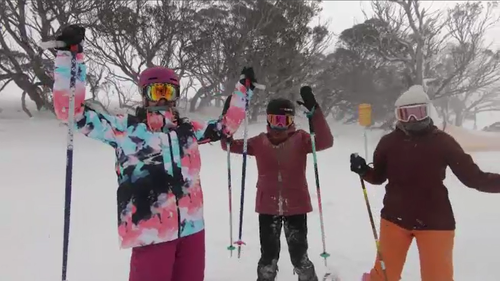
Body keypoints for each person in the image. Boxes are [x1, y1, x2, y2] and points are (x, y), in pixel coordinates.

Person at [51, 24, 259, 281]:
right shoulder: (126, 130)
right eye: (156, 91)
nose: (162, 98)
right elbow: (71, 112)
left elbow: (224, 127)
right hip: (150, 233)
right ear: (144, 95)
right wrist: (68, 56)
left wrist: (242, 93)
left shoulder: (188, 131)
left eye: (168, 91)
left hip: (193, 230)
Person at [349, 85, 500, 281]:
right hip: (395, 219)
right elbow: (378, 177)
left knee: (438, 277)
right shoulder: (388, 142)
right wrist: (363, 170)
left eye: (417, 112)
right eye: (406, 114)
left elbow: (474, 178)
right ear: (398, 115)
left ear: (427, 112)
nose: (412, 120)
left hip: (435, 221)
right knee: (383, 276)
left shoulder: (443, 142)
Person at [221, 86, 334, 281]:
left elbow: (325, 141)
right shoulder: (259, 142)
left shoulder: (301, 139)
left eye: (285, 120)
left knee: (299, 255)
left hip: (296, 206)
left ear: (291, 121)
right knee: (268, 256)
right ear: (267, 120)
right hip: (267, 206)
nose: (279, 126)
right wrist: (227, 119)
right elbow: (227, 144)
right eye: (275, 120)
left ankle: (308, 278)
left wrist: (315, 111)